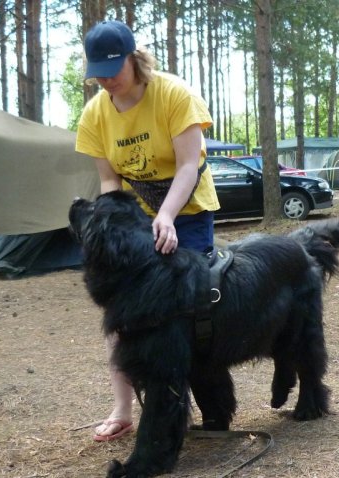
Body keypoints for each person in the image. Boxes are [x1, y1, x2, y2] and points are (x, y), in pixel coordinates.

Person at [75, 20, 220, 442]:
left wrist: (168, 216)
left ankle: (190, 401)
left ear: (133, 59)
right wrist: (110, 231)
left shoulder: (174, 95)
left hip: (188, 209)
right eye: (96, 71)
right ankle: (122, 408)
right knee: (122, 312)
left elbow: (189, 165)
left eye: (112, 68)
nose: (105, 79)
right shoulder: (95, 115)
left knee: (187, 310)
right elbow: (109, 184)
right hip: (137, 221)